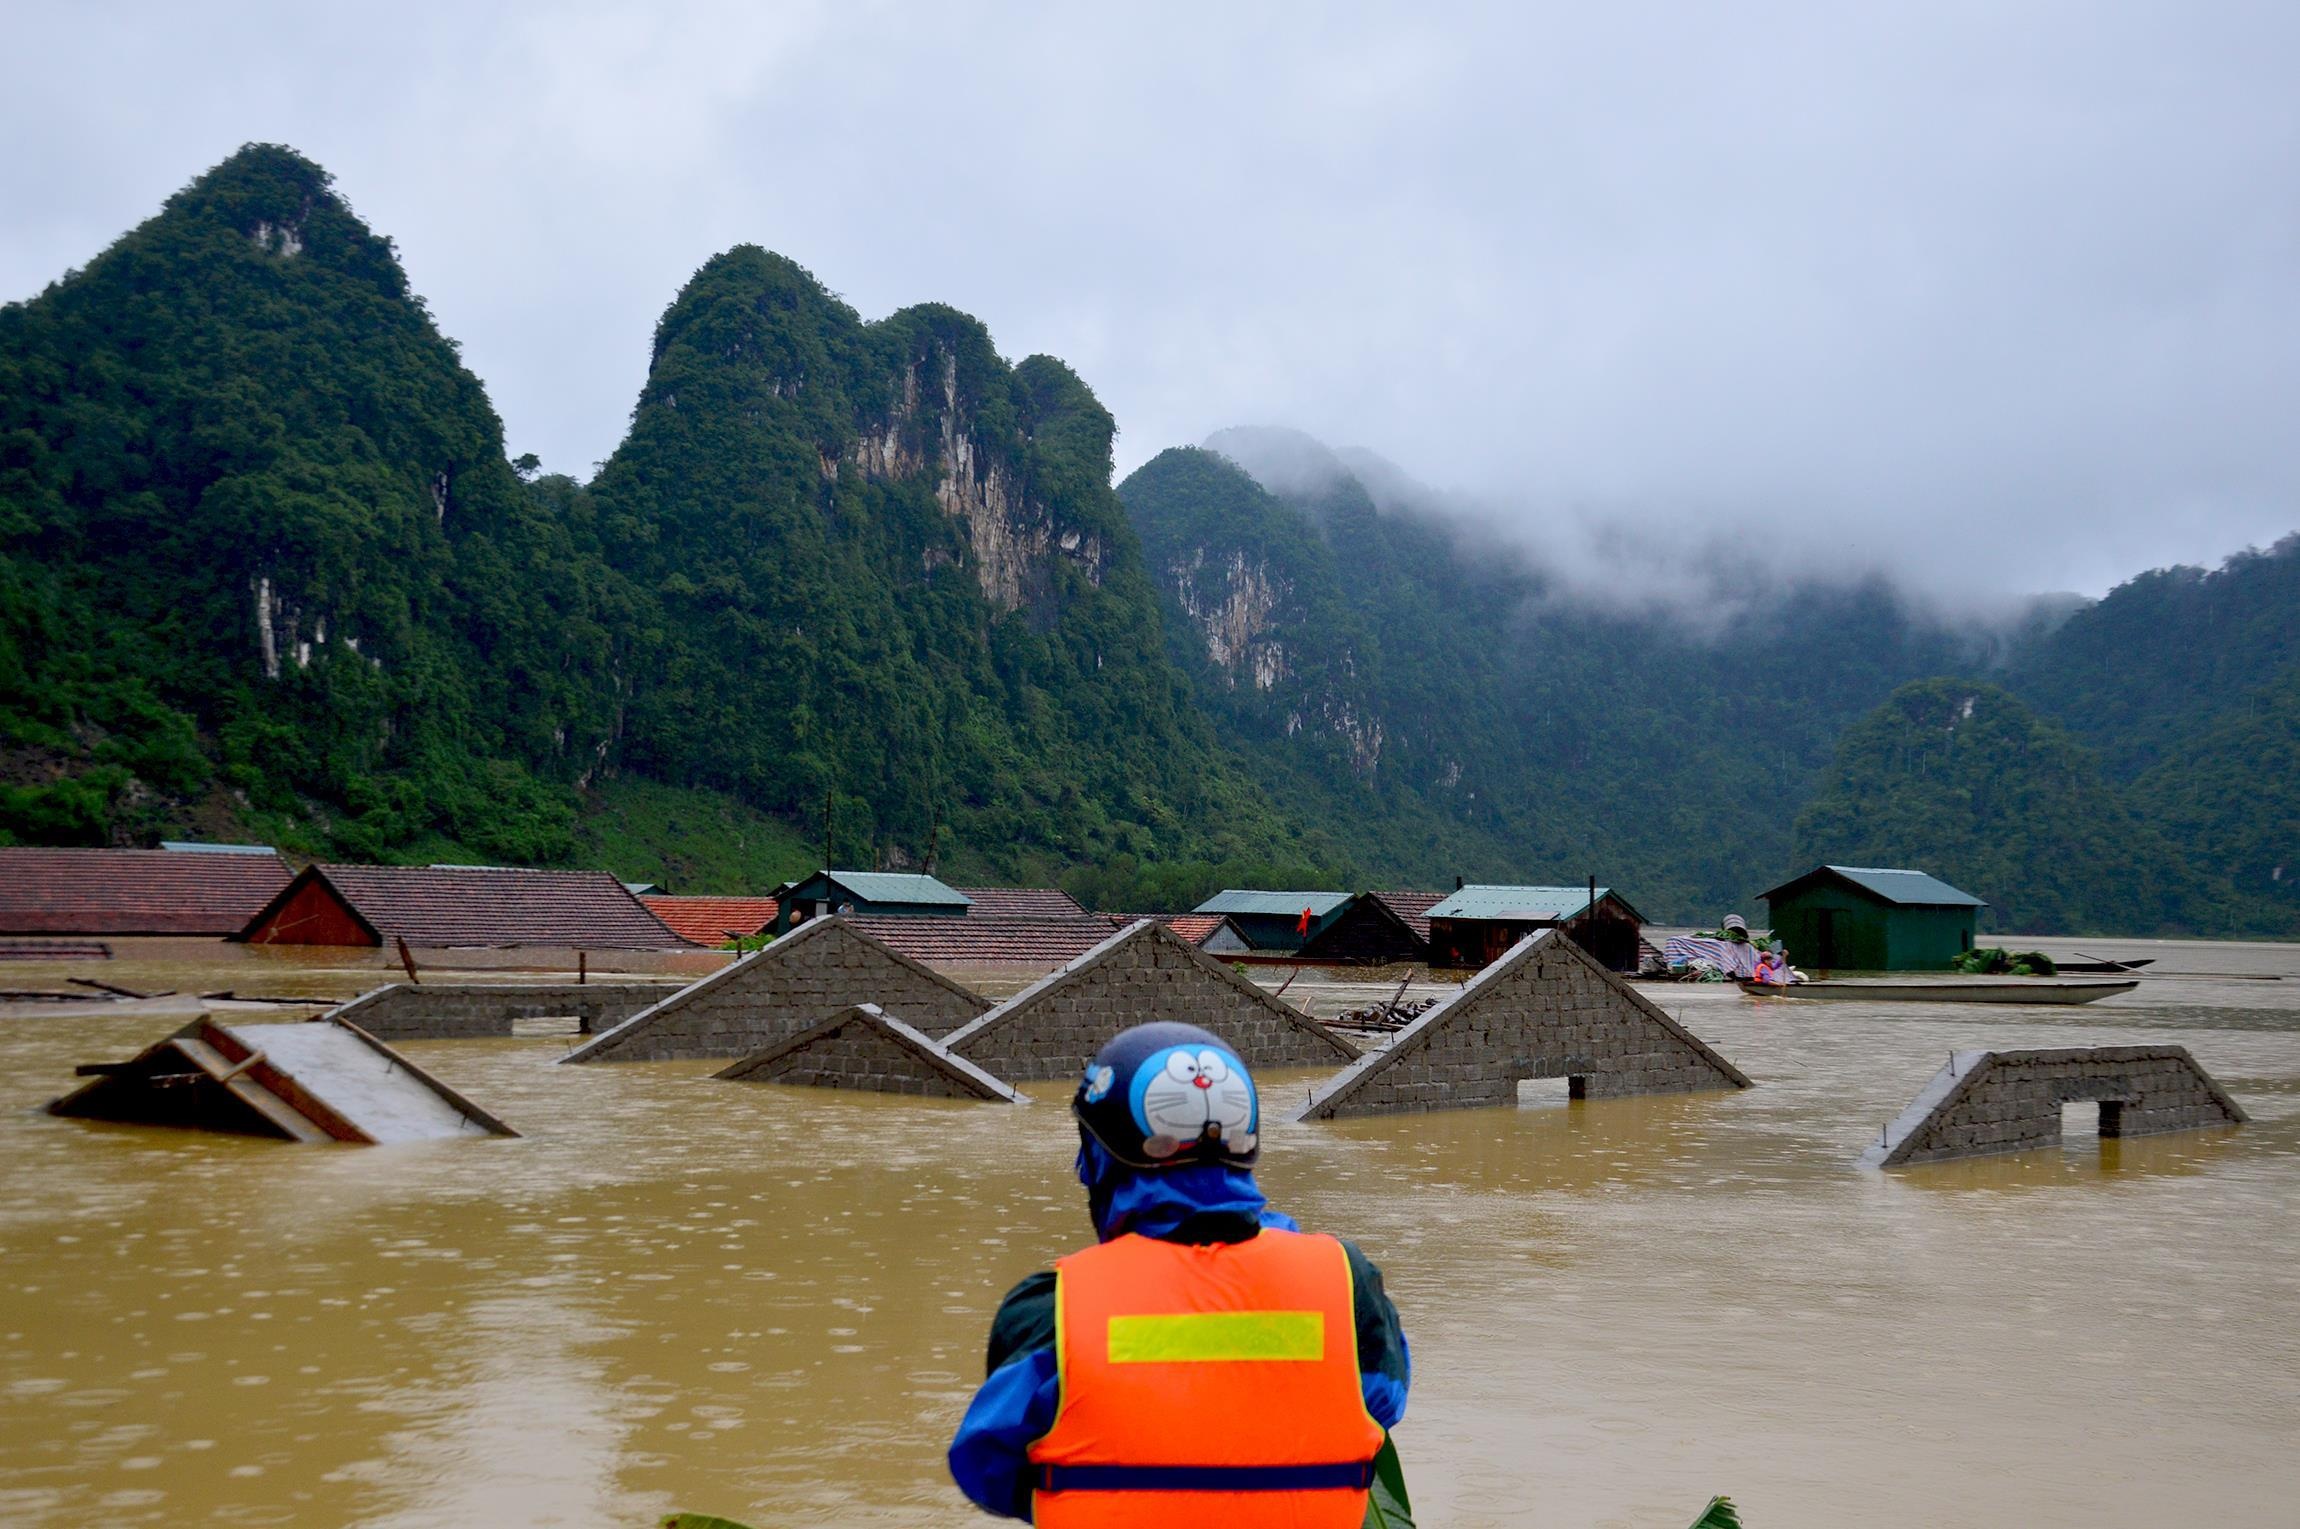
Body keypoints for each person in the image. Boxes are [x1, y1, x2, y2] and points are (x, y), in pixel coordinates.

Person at [948, 1021, 1411, 1525]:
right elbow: (1380, 1402)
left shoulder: (1048, 1311)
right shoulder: (1347, 1284)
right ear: (1246, 1147)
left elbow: (987, 1468)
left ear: (1098, 1163)